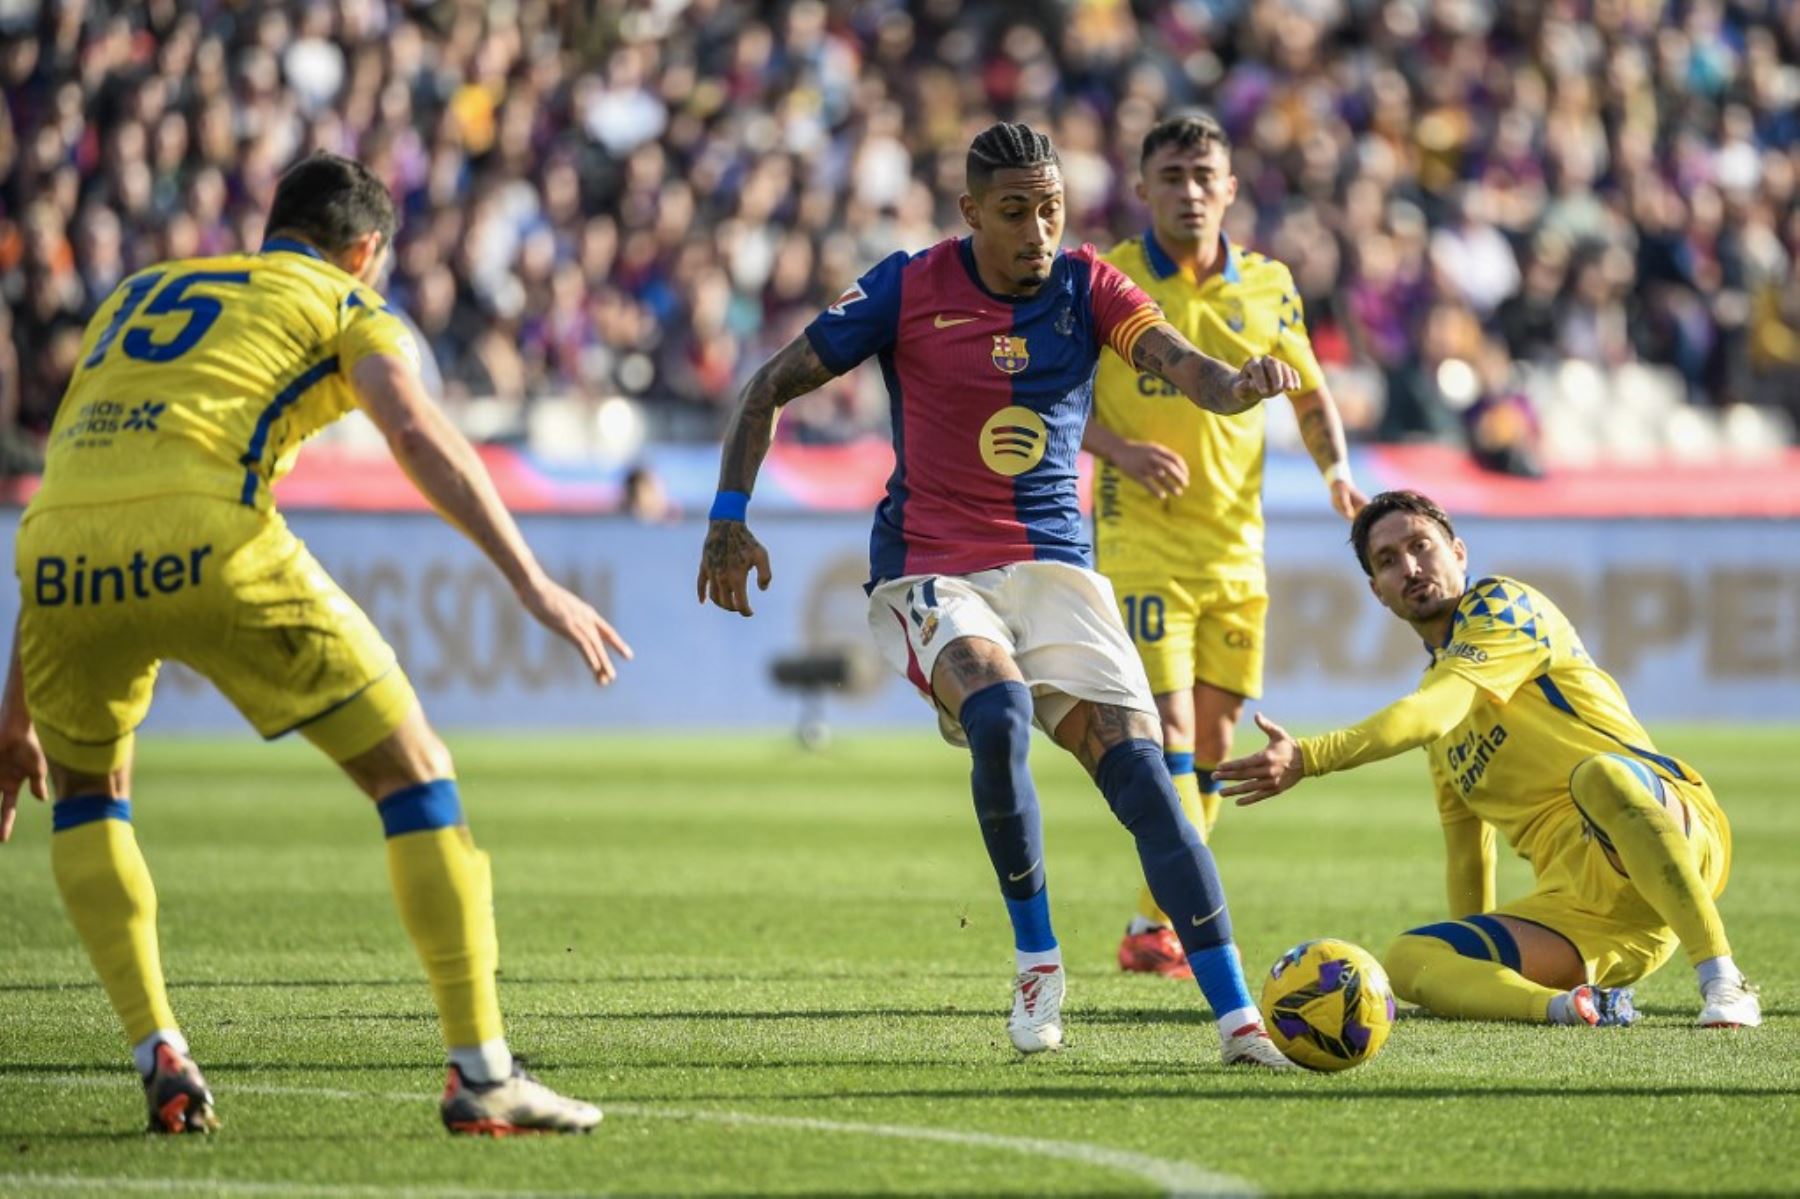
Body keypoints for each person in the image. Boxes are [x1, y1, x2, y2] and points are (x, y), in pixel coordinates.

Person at [0, 154, 632, 1135]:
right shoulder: (343, 301)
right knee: (415, 773)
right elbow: (414, 429)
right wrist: (531, 579)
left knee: (87, 796)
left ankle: (156, 1048)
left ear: (271, 224)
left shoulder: (137, 292)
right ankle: (482, 1070)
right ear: (366, 251)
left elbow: (82, 476)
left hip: (53, 553)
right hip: (212, 537)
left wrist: (13, 710)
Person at [696, 121, 1300, 1069]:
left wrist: (1239, 387)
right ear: (972, 211)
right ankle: (1037, 962)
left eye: (1051, 209)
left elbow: (1185, 366)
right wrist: (728, 511)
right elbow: (770, 385)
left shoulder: (1089, 286)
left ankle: (1238, 1020)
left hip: (1057, 569)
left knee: (1148, 780)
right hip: (932, 565)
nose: (1038, 231)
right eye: (1015, 212)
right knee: (1002, 708)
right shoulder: (906, 285)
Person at [1214, 490, 1761, 1030]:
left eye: (1421, 547)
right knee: (1408, 960)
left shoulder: (1503, 607)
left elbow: (1430, 713)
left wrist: (1309, 757)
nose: (1410, 567)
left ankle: (1723, 980)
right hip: (1592, 922)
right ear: (1377, 592)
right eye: (1388, 561)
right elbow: (1469, 860)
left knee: (1599, 776)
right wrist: (1466, 967)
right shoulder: (1440, 717)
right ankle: (1571, 1008)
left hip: (1672, 833)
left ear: (1458, 553)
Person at [1084, 112, 1367, 979]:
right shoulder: (1107, 279)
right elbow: (1054, 402)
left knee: (1210, 744)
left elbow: (1312, 396)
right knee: (1168, 731)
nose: (1190, 191)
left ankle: (1149, 922)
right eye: (1172, 176)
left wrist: (1336, 475)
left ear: (1232, 187)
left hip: (1238, 549)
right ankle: (1171, 923)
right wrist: (1122, 449)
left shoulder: (1271, 285)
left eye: (1205, 175)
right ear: (1143, 189)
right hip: (1141, 542)